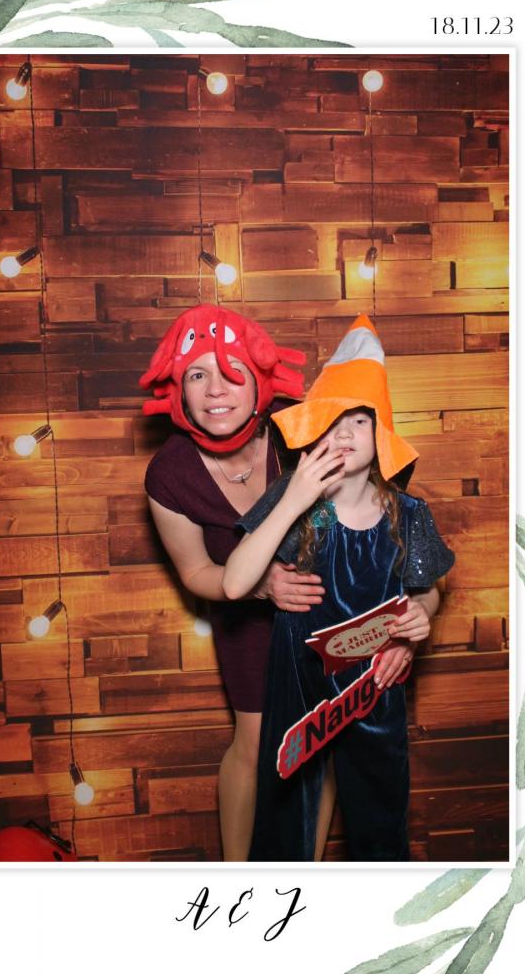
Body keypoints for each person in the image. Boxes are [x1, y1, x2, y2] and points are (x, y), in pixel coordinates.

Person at [223, 315, 455, 862]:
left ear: (382, 435)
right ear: (313, 431)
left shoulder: (408, 512)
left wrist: (420, 615)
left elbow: (429, 589)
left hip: (376, 681)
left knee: (380, 815)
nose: (345, 433)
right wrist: (293, 500)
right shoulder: (295, 502)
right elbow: (234, 583)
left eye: (359, 420)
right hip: (299, 683)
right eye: (333, 420)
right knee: (288, 813)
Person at [140, 303, 325, 861]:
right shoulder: (169, 474)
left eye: (232, 370)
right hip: (245, 617)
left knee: (323, 738)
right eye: (198, 374)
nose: (216, 389)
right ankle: (236, 874)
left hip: (325, 606)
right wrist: (261, 585)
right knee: (253, 743)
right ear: (178, 389)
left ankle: (310, 873)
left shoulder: (301, 429)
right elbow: (196, 572)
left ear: (259, 378)